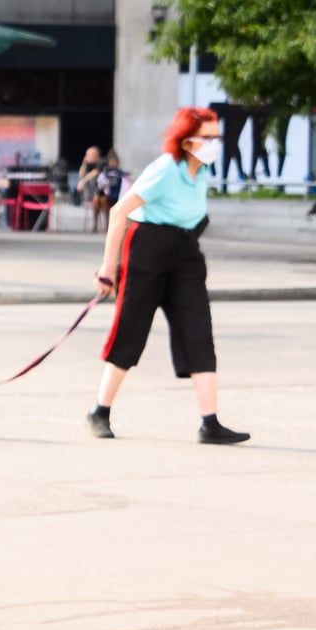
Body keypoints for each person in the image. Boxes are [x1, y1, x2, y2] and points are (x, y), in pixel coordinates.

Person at [89, 107, 249, 445]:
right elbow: (119, 213)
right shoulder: (165, 169)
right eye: (208, 137)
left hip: (186, 252)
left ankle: (210, 423)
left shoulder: (201, 171)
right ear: (187, 140)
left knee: (199, 333)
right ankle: (100, 412)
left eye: (217, 137)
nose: (215, 143)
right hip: (148, 247)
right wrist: (108, 268)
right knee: (131, 330)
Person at [88, 151, 126, 233]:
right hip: (106, 195)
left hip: (116, 196)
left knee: (103, 200)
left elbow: (118, 184)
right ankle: (95, 224)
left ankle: (107, 225)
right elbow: (100, 184)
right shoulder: (105, 172)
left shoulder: (119, 173)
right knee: (97, 199)